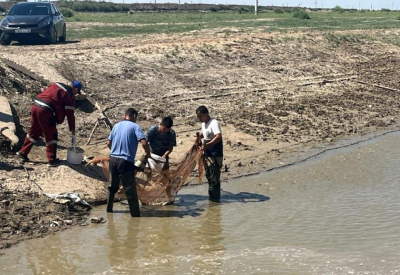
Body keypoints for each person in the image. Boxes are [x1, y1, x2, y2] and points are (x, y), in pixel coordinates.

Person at [16, 81, 82, 167]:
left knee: (35, 131)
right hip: (45, 111)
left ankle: (23, 152)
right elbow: (70, 115)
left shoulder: (57, 85)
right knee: (51, 134)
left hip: (35, 106)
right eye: (77, 92)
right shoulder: (69, 95)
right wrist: (72, 130)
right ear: (75, 89)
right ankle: (52, 160)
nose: (76, 95)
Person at [107, 108, 151, 217]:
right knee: (130, 191)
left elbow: (108, 143)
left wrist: (115, 150)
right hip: (125, 161)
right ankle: (135, 217)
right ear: (134, 116)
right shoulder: (135, 127)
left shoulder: (116, 126)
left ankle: (109, 211)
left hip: (112, 160)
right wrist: (148, 153)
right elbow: (144, 143)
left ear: (125, 115)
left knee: (113, 186)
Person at [195, 106, 223, 202]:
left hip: (215, 154)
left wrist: (207, 145)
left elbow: (218, 136)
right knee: (209, 176)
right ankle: (212, 198)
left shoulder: (214, 123)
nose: (199, 119)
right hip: (207, 153)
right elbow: (204, 134)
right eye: (198, 117)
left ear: (206, 114)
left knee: (214, 177)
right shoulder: (204, 123)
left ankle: (215, 200)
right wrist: (199, 137)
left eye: (201, 116)